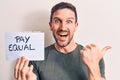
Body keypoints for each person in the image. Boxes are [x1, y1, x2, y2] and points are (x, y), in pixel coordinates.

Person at [14, 2, 111, 80]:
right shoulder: (36, 58)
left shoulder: (93, 57)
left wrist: (92, 66)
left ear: (76, 26)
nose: (63, 27)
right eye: (57, 21)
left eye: (69, 21)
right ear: (51, 25)